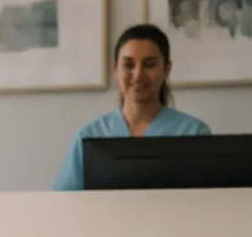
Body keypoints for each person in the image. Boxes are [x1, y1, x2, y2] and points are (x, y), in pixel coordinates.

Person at [52, 23, 212, 191]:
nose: (138, 75)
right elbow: (63, 199)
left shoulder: (193, 133)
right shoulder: (90, 136)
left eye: (149, 64)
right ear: (116, 69)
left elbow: (209, 200)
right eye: (129, 65)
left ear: (167, 69)